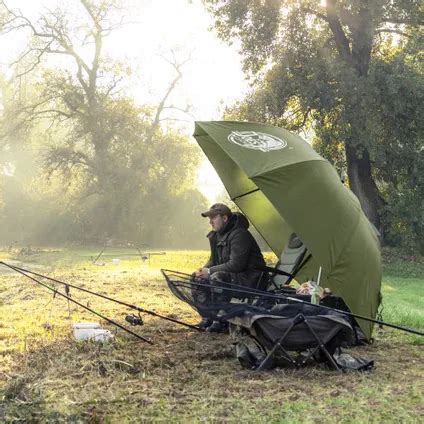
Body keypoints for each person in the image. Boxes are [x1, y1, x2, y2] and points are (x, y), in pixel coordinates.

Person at [194, 203, 266, 332]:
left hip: (251, 279)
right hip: (233, 277)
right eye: (209, 219)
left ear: (225, 218)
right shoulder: (217, 235)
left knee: (217, 277)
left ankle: (222, 321)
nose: (210, 222)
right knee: (196, 278)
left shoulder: (240, 234)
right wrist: (202, 270)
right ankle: (208, 317)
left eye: (213, 218)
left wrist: (209, 271)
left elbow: (237, 264)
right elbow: (213, 259)